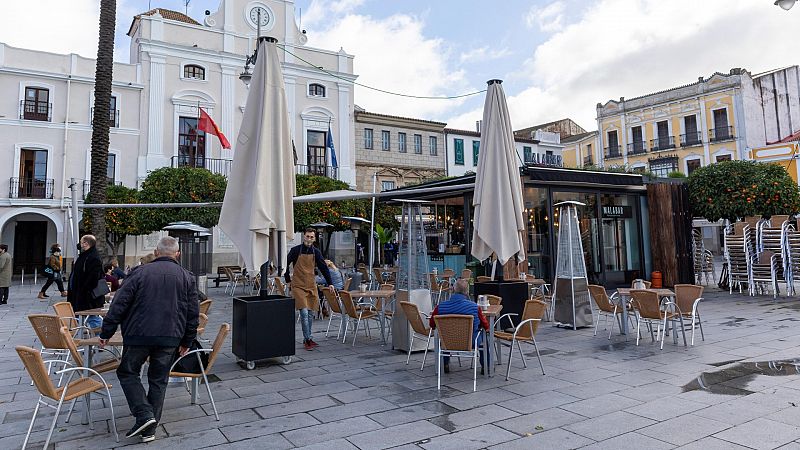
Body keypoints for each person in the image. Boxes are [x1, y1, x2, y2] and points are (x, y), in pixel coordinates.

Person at [99, 236, 198, 443]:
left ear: (156, 252)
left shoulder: (138, 273)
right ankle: (149, 430)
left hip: (139, 334)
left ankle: (144, 415)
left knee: (127, 372)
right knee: (158, 380)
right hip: (171, 336)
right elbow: (192, 312)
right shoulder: (186, 276)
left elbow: (119, 303)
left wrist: (106, 332)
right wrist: (187, 340)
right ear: (177, 254)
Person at [429, 278, 490, 374]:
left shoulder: (440, 307)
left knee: (445, 333)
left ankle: (445, 364)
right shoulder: (474, 307)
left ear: (453, 290)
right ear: (467, 292)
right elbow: (485, 325)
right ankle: (486, 366)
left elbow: (432, 324)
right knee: (484, 337)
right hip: (471, 342)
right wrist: (486, 328)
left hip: (447, 342)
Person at [285, 228, 332, 351]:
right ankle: (307, 339)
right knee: (304, 313)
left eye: (311, 237)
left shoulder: (316, 252)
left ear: (314, 238)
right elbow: (286, 263)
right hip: (298, 286)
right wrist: (287, 280)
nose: (309, 239)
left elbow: (323, 267)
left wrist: (330, 283)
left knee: (310, 313)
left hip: (311, 285)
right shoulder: (295, 250)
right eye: (307, 236)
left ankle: (309, 338)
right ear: (303, 237)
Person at [67, 235, 105, 329]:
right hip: (80, 295)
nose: (80, 245)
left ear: (86, 243)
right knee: (84, 317)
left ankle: (98, 338)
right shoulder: (86, 256)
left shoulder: (92, 257)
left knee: (92, 318)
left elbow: (93, 278)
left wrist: (84, 290)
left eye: (81, 242)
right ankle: (87, 335)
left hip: (87, 297)